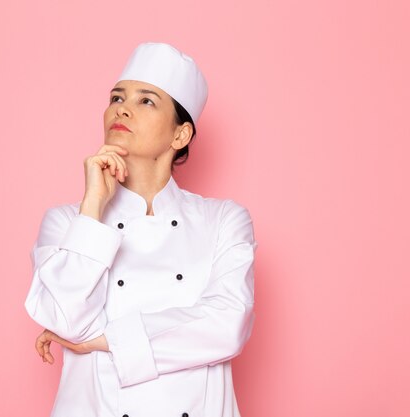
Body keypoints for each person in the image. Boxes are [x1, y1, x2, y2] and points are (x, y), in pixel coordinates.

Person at [24, 42, 258, 417]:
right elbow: (64, 319)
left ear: (180, 136)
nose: (123, 107)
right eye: (117, 97)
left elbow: (227, 325)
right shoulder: (68, 221)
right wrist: (93, 206)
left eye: (146, 100)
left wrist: (102, 340)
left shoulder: (222, 221)